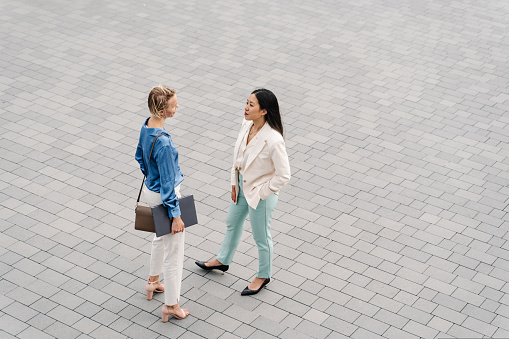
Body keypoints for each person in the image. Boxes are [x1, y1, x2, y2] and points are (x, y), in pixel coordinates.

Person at [196, 88, 291, 295]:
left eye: (251, 105)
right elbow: (238, 157)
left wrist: (262, 192)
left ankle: (264, 275)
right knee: (232, 222)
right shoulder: (246, 125)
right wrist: (234, 181)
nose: (245, 108)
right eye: (246, 102)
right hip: (240, 186)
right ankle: (222, 260)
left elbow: (284, 175)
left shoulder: (274, 140)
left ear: (264, 111)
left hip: (260, 194)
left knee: (261, 237)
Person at [135, 85, 189, 321]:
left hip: (149, 189)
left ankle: (153, 281)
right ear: (163, 110)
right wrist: (176, 215)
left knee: (160, 237)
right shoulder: (164, 143)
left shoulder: (147, 125)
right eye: (174, 105)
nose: (177, 107)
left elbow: (139, 156)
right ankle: (171, 305)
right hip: (165, 196)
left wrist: (151, 174)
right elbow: (168, 184)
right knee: (174, 252)